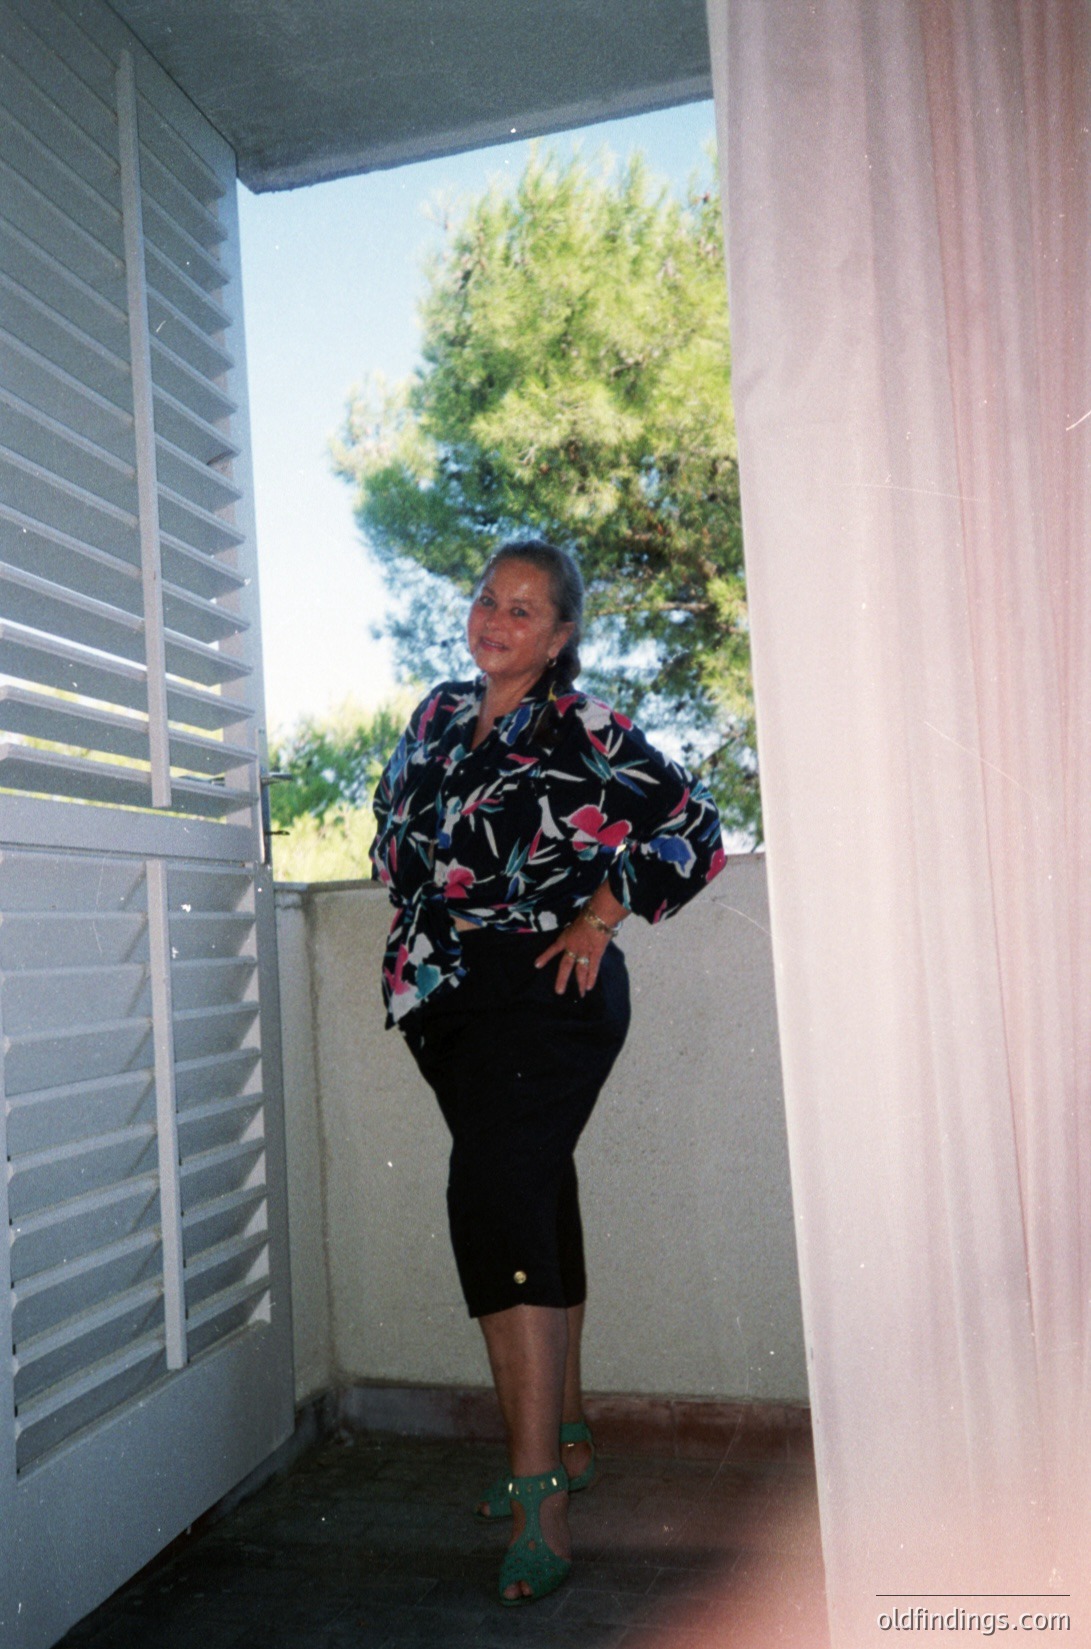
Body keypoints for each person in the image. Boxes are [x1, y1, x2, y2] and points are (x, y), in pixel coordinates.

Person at [370, 538, 725, 1605]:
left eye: (524, 609)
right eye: (487, 599)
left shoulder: (586, 727)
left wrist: (596, 914)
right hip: (444, 997)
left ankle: (538, 1492)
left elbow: (692, 828)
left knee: (491, 1195)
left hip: (545, 991)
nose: (496, 619)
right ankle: (563, 1434)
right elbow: (397, 844)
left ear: (560, 635)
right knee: (526, 1188)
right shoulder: (435, 711)